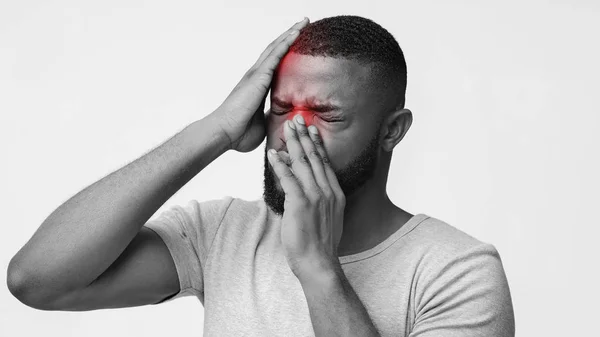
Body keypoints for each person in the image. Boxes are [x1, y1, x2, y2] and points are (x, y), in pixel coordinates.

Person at [7, 15, 515, 337]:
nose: (292, 134)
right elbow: (38, 282)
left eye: (325, 114)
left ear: (392, 132)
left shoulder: (458, 270)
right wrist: (216, 130)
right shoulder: (225, 231)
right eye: (281, 108)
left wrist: (318, 268)